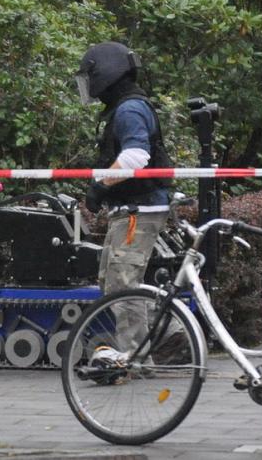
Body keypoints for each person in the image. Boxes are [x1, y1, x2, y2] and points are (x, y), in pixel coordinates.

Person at [74, 41, 176, 355]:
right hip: (133, 208)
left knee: (122, 284)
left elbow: (135, 156)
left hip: (139, 209)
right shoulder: (126, 107)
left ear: (105, 73)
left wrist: (100, 185)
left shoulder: (130, 109)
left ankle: (134, 356)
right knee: (112, 278)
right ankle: (170, 334)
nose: (88, 86)